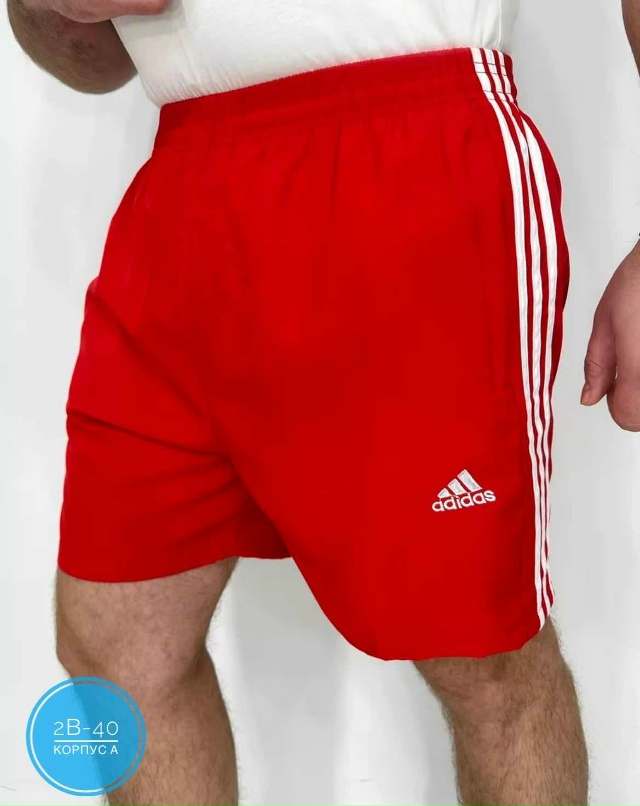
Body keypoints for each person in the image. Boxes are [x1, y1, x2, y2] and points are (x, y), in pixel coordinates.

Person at [7, 0, 640, 803]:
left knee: (484, 656)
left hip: (407, 145)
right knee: (116, 643)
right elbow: (90, 64)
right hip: (181, 183)